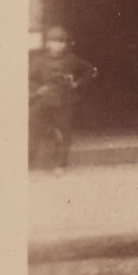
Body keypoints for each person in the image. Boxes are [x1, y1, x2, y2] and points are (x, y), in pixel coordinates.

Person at [28, 26, 97, 173]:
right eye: (54, 41)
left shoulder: (71, 59)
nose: (58, 45)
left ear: (66, 44)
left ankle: (60, 164)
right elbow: (28, 78)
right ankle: (29, 161)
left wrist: (76, 84)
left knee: (64, 131)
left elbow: (90, 70)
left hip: (64, 101)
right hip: (43, 101)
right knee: (33, 127)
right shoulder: (39, 61)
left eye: (61, 42)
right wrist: (37, 90)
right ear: (47, 43)